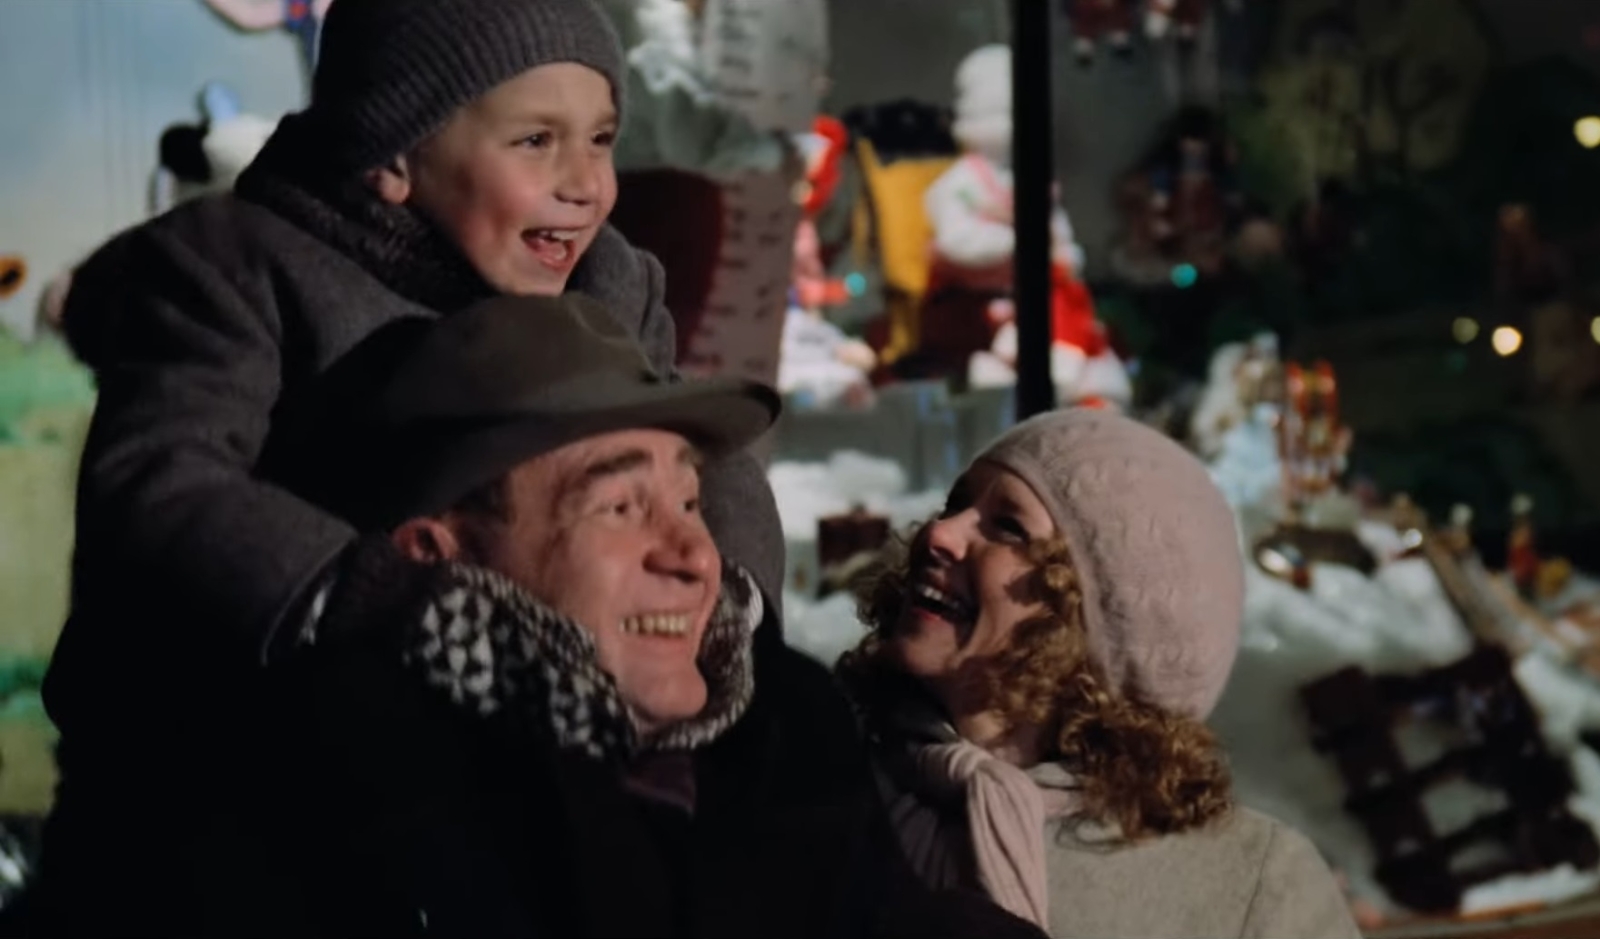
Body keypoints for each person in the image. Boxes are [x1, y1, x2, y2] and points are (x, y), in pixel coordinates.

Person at [34, 0, 783, 929]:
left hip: (500, 788)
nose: (586, 185)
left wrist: (733, 612)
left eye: (601, 139)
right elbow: (162, 481)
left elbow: (704, 447)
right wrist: (388, 602)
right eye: (537, 141)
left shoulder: (609, 284)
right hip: (226, 771)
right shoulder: (241, 267)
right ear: (394, 157)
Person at [246, 293, 1045, 936]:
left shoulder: (785, 725)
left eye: (690, 502)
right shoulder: (332, 791)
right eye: (621, 506)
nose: (694, 555)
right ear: (436, 555)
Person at [837, 408, 1362, 939]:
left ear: (1095, 618)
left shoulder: (1250, 885)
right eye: (957, 504)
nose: (939, 532)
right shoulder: (821, 793)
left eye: (1008, 527)